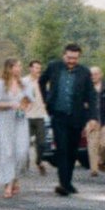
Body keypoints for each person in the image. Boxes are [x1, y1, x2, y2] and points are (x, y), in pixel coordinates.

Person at [39, 45, 95, 196]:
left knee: (72, 151)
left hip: (77, 117)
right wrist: (45, 99)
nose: (72, 61)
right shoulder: (54, 67)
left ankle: (67, 182)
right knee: (62, 149)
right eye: (69, 58)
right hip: (58, 115)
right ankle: (63, 184)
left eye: (75, 59)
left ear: (79, 58)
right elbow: (41, 82)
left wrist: (92, 117)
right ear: (64, 55)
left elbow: (91, 95)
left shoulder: (84, 72)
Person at [0, 58, 33, 196]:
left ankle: (15, 178)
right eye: (17, 66)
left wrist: (25, 107)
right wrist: (9, 105)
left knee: (21, 152)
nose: (20, 68)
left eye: (20, 66)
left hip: (20, 120)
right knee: (7, 152)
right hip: (3, 120)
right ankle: (8, 184)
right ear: (9, 68)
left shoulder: (25, 84)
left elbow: (29, 101)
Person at [84, 66, 105, 175]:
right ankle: (94, 169)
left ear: (101, 75)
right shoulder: (85, 88)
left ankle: (101, 161)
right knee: (92, 144)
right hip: (90, 120)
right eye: (91, 74)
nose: (93, 76)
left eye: (96, 74)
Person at [23, 60, 50, 176]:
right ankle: (25, 163)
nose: (38, 70)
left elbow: (48, 95)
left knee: (42, 142)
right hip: (27, 116)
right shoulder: (24, 81)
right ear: (30, 68)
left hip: (40, 115)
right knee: (24, 142)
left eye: (39, 68)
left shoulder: (43, 81)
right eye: (36, 68)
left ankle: (39, 161)